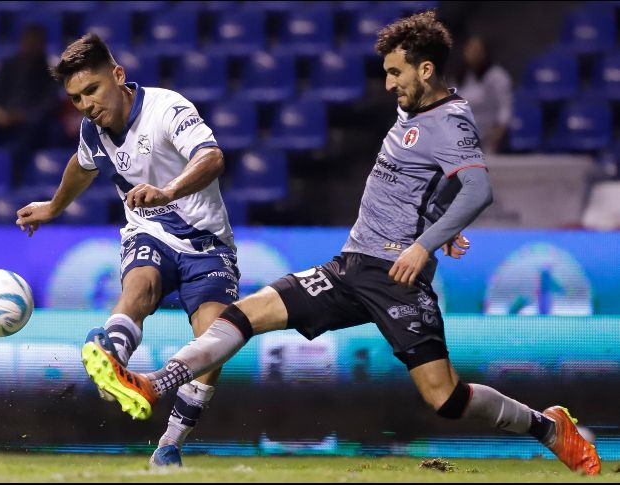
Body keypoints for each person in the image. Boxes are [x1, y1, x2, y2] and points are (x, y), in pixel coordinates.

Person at [83, 12, 601, 476]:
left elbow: (479, 188)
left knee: (445, 398)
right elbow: (427, 183)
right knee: (245, 313)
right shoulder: (415, 112)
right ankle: (154, 383)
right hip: (352, 265)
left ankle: (548, 426)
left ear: (425, 70)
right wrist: (441, 219)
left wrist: (426, 245)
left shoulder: (452, 119)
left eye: (396, 72)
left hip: (398, 279)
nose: (388, 83)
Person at [14, 33, 240, 467]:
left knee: (217, 341)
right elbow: (82, 165)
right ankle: (113, 360)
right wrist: (53, 207)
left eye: (92, 91)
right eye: (76, 98)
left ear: (118, 76)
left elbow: (212, 157)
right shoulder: (93, 131)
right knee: (142, 284)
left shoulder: (167, 108)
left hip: (207, 243)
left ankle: (169, 445)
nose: (86, 104)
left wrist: (168, 190)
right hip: (149, 230)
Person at [0, 24, 60, 167]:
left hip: (28, 124)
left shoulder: (49, 73)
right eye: (27, 42)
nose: (30, 47)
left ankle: (10, 169)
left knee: (35, 127)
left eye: (35, 43)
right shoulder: (8, 66)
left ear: (42, 45)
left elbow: (48, 106)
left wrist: (20, 116)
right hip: (2, 120)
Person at [456, 35, 513, 154]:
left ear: (485, 53)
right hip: (462, 136)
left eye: (477, 50)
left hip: (490, 137)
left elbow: (505, 108)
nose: (473, 54)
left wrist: (499, 132)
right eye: (470, 50)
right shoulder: (460, 76)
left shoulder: (497, 76)